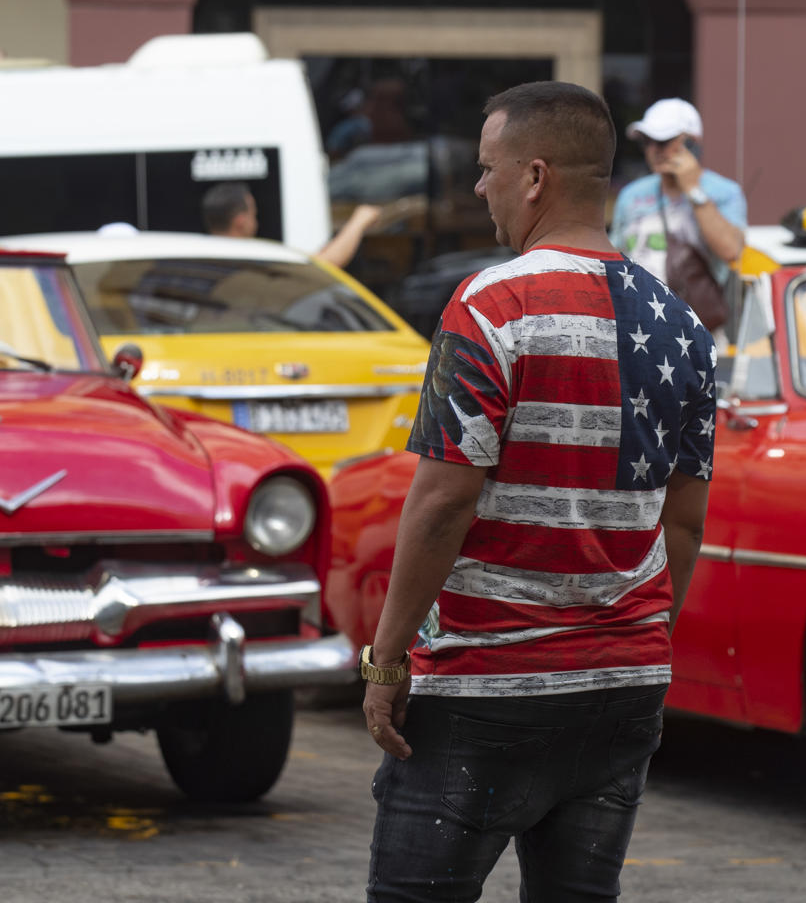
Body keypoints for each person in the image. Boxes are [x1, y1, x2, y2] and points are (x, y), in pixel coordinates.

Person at [359, 81, 716, 903]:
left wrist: (386, 660)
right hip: (624, 689)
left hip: (485, 689)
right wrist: (637, 641)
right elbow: (685, 526)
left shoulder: (493, 304)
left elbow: (444, 501)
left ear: (536, 176)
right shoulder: (684, 328)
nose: (479, 189)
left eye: (488, 169)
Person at [610, 97, 746, 289]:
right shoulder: (631, 194)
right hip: (640, 308)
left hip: (696, 313)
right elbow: (616, 255)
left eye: (662, 141)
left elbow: (732, 251)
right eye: (647, 141)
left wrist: (693, 189)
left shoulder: (725, 192)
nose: (653, 150)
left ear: (691, 144)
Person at [200, 180, 381, 270]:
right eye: (253, 214)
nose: (256, 221)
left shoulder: (200, 259)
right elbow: (325, 265)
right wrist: (359, 220)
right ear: (240, 221)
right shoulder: (249, 261)